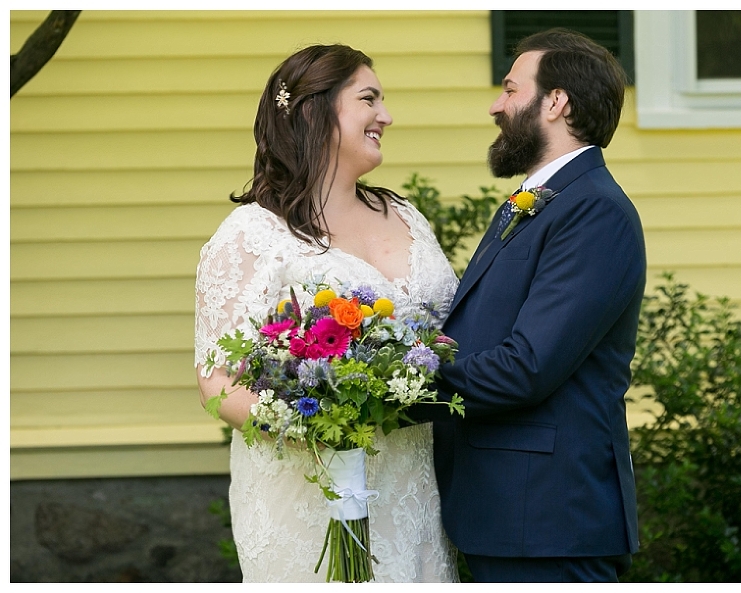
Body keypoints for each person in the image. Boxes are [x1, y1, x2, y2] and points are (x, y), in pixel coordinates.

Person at [193, 44, 459, 583]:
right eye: (369, 99)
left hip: (413, 483)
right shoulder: (251, 236)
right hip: (307, 491)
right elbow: (218, 380)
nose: (386, 115)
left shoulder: (404, 214)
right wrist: (318, 426)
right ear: (315, 112)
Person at [430, 28, 645, 582]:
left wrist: (395, 386)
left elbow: (527, 366)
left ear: (556, 102)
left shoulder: (595, 211)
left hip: (550, 521)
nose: (496, 106)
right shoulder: (545, 202)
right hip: (508, 512)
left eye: (509, 89)